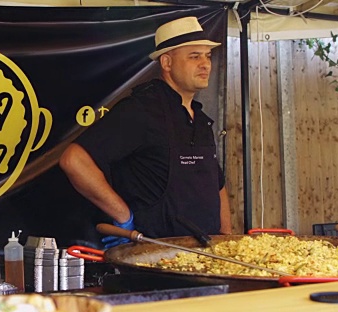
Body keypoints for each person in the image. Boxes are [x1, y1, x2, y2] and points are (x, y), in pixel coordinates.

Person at [59, 16, 232, 249]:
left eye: (207, 56)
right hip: (153, 257)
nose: (205, 64)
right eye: (194, 56)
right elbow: (74, 160)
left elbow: (216, 182)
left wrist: (226, 237)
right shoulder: (140, 110)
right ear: (167, 62)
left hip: (206, 257)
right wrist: (123, 216)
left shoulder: (199, 118)